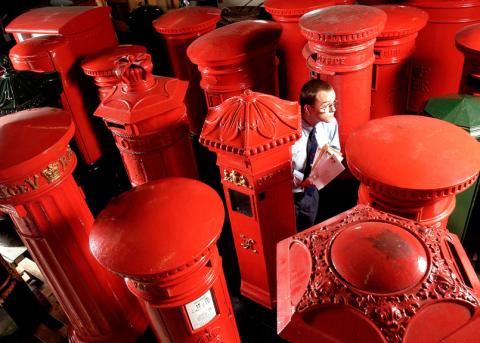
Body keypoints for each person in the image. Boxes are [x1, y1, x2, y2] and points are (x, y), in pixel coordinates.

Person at [292, 79, 340, 232]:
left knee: (308, 229)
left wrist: (317, 177)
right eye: (326, 106)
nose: (333, 109)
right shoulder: (289, 133)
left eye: (334, 103)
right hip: (290, 196)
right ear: (308, 109)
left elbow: (335, 149)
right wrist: (300, 181)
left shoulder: (330, 123)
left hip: (313, 193)